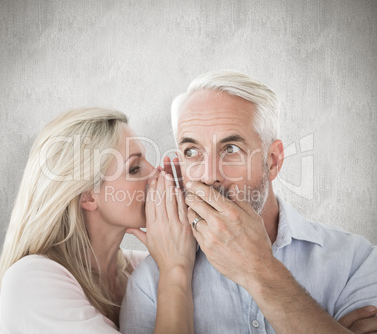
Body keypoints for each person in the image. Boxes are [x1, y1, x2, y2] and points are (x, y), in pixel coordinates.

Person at [120, 70, 377, 333]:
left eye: (231, 149)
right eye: (192, 152)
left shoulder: (354, 260)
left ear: (273, 160)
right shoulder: (151, 284)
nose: (210, 176)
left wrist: (258, 268)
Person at [0, 108, 196, 333]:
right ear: (87, 196)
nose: (158, 173)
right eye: (134, 168)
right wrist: (175, 270)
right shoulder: (30, 280)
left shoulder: (144, 269)